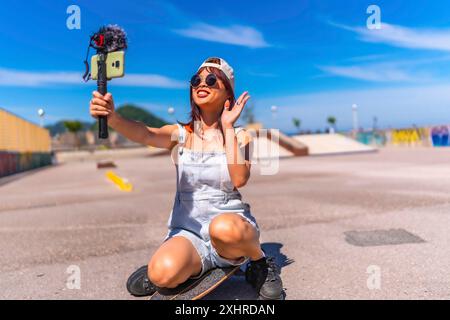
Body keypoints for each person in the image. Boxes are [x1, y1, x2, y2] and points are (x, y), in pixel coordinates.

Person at [89, 57, 283, 300]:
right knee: (161, 275)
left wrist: (227, 126)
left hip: (231, 226)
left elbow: (239, 178)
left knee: (223, 228)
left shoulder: (240, 136)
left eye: (212, 79)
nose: (202, 83)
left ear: (227, 94)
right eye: (196, 79)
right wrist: (114, 117)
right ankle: (189, 264)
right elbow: (146, 133)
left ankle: (258, 263)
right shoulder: (180, 135)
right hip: (189, 232)